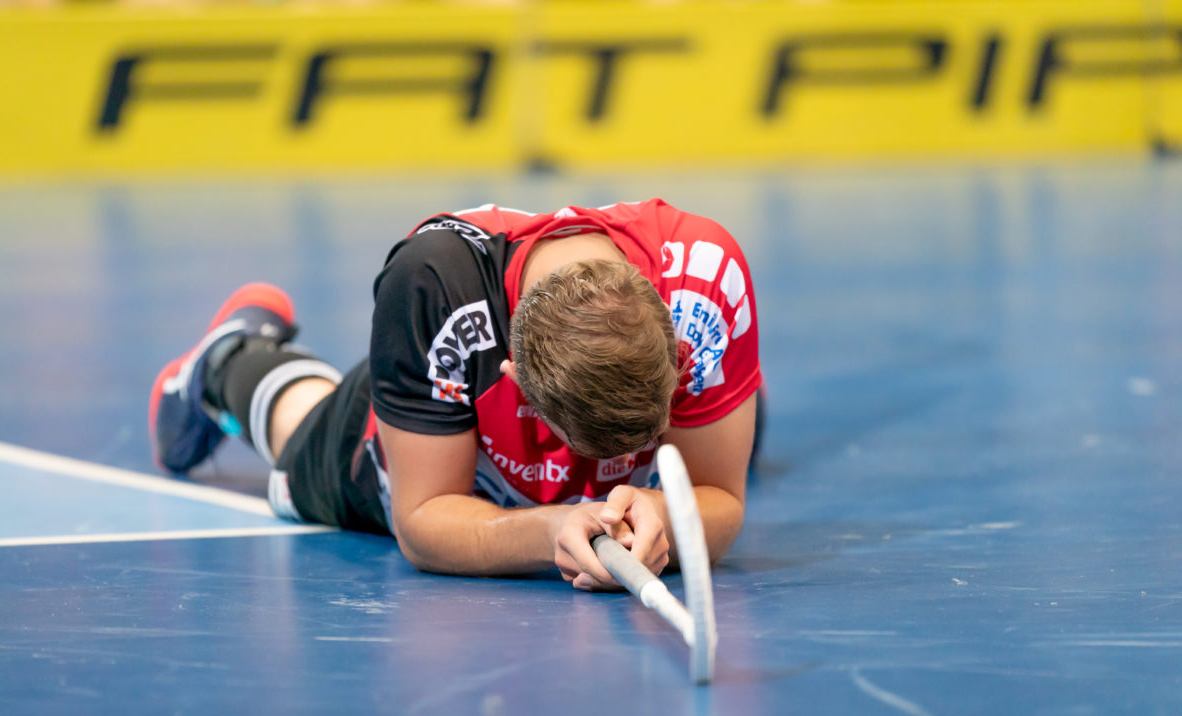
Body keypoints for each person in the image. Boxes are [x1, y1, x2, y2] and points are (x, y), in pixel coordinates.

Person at [150, 199, 764, 591]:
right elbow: (421, 521)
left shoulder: (706, 281)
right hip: (452, 447)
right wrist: (549, 531)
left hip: (616, 429)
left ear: (679, 348)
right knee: (307, 426)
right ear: (515, 378)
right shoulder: (431, 282)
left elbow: (721, 499)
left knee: (744, 433)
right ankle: (227, 360)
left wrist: (666, 516)